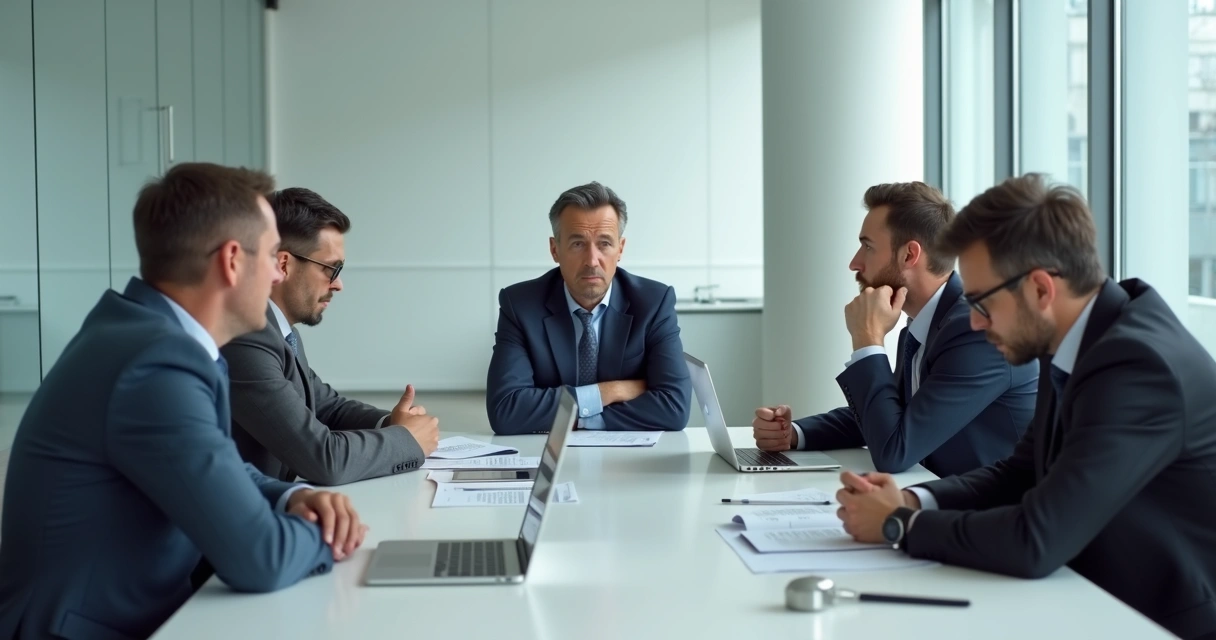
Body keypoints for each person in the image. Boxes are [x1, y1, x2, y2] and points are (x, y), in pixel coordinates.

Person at [835, 174, 1216, 640]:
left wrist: (900, 525)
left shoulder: (1137, 367)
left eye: (981, 302)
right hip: (1085, 593)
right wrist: (913, 498)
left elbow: (1038, 539)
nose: (973, 321)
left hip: (1154, 618)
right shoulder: (1081, 335)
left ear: (1040, 289)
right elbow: (1019, 472)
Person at [0, 164, 367, 640]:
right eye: (275, 255)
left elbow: (217, 466)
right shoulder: (156, 365)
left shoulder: (150, 335)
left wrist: (295, 495)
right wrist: (328, 534)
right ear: (233, 261)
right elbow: (261, 557)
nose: (280, 271)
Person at [752, 182, 1037, 476]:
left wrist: (867, 341)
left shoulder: (976, 332)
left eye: (868, 246)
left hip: (991, 512)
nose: (854, 263)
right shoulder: (924, 324)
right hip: (939, 498)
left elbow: (894, 451)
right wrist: (795, 433)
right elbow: (890, 414)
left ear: (909, 255)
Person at [223, 187, 439, 485]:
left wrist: (392, 422)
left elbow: (326, 407)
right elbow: (324, 459)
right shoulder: (245, 338)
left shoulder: (278, 331)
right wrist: (405, 439)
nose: (338, 285)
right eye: (332, 269)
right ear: (283, 264)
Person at [486, 181, 692, 434]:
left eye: (604, 243)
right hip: (547, 458)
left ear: (620, 249)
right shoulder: (520, 305)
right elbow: (506, 412)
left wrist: (578, 420)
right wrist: (610, 391)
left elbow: (674, 409)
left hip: (628, 464)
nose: (592, 260)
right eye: (577, 244)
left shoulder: (654, 303)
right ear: (555, 249)